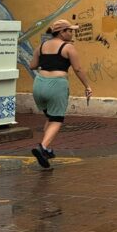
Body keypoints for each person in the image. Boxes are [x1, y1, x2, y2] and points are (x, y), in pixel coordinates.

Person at [30, 18, 92, 169]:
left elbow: (32, 65)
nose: (72, 34)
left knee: (51, 116)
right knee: (57, 119)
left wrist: (47, 60)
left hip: (39, 84)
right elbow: (78, 69)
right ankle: (43, 147)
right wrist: (87, 86)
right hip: (57, 85)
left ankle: (47, 150)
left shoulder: (41, 46)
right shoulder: (68, 48)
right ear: (61, 32)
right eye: (69, 31)